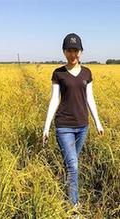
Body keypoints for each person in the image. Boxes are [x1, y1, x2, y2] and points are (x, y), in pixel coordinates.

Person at [43, 33, 104, 209]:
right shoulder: (58, 73)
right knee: (73, 166)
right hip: (64, 127)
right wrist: (46, 127)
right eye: (69, 50)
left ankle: (66, 189)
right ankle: (74, 208)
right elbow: (54, 100)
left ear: (81, 52)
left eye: (76, 50)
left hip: (82, 126)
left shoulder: (87, 73)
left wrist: (98, 123)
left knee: (71, 163)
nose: (73, 54)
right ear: (64, 52)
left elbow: (90, 99)